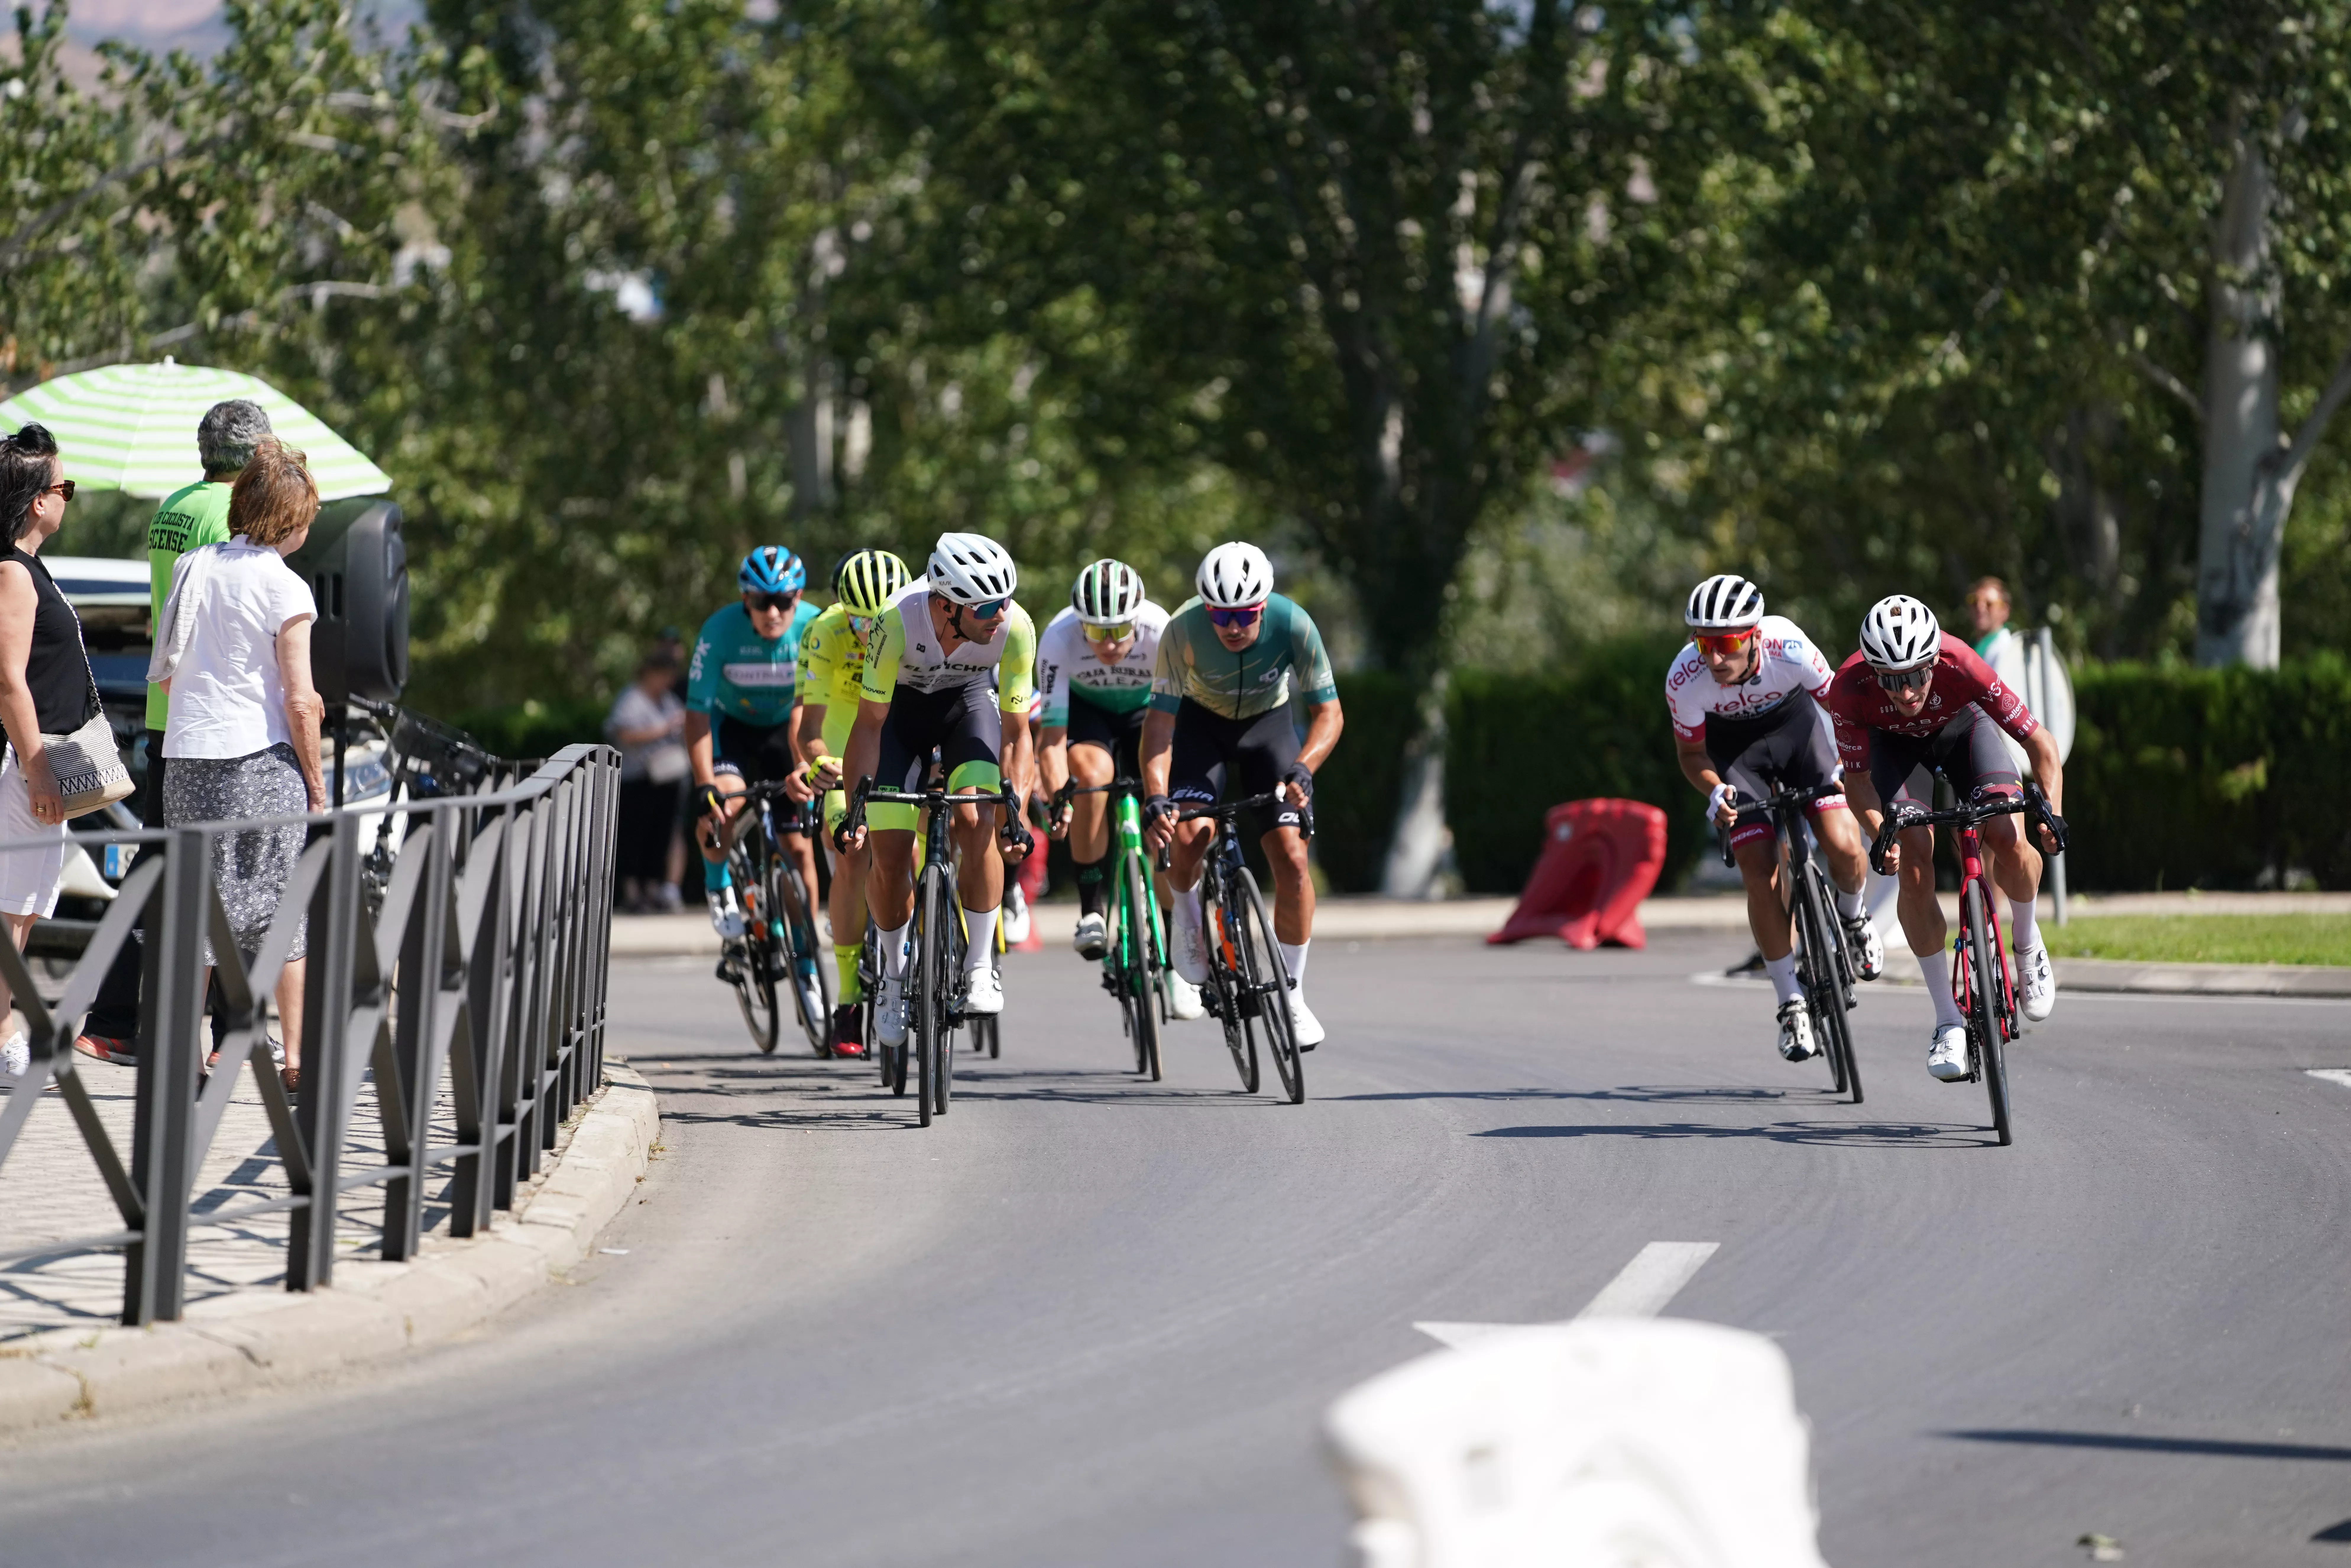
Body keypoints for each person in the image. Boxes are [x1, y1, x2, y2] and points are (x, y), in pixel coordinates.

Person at [75, 398, 273, 1066]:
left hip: (170, 717)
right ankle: (226, 1033)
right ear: (252, 456)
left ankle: (114, 1018)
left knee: (158, 871)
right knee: (232, 875)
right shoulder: (235, 517)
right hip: (219, 722)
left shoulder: (173, 507)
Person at [147, 440, 326, 1098]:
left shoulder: (194, 567)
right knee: (285, 912)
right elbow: (300, 700)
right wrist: (315, 782)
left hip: (188, 757)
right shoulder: (286, 586)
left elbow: (165, 675)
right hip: (259, 759)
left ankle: (183, 1060)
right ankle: (299, 1058)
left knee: (196, 910)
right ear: (292, 520)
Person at [1826, 594, 2065, 1083]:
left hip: (1963, 731)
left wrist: (2052, 813)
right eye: (1892, 679)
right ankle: (1947, 1020)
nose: (1907, 690)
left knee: (2006, 831)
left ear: (1935, 659)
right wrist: (1879, 833)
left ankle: (2025, 940)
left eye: (1916, 673)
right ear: (1873, 672)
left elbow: (2039, 742)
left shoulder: (1962, 662)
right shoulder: (1848, 689)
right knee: (1913, 863)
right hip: (1895, 753)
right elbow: (1857, 783)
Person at [1667, 575, 1881, 1062]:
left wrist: (1853, 767)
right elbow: (1690, 752)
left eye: (1726, 643)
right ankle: (1789, 1001)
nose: (1713, 657)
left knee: (1845, 845)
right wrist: (1715, 789)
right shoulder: (1684, 678)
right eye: (1703, 643)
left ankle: (1852, 918)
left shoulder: (1790, 646)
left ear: (1755, 636)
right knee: (1759, 873)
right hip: (1735, 757)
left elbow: (1841, 708)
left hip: (1798, 735)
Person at [835, 532, 1037, 1045]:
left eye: (1005, 600)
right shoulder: (896, 620)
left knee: (977, 818)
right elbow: (869, 725)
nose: (1000, 613)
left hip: (967, 707)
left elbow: (1017, 733)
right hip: (901, 717)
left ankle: (978, 965)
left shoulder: (1014, 628)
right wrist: (856, 805)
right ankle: (894, 979)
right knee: (890, 850)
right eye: (987, 605)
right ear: (946, 604)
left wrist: (1019, 813)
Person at [1141, 542, 1343, 1048]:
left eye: (1245, 614)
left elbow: (1329, 713)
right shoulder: (1182, 629)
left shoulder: (1293, 623)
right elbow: (1160, 723)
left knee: (1293, 859)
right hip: (1199, 731)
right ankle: (1187, 924)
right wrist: (1156, 795)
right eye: (1221, 614)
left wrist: (1304, 767)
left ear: (1263, 605)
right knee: (1190, 836)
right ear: (1205, 608)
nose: (1233, 626)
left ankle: (1292, 996)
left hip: (1268, 732)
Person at [1037, 558, 1202, 1019]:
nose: (1109, 644)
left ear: (1138, 618)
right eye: (1096, 633)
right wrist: (1057, 795)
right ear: (1079, 624)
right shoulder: (1057, 638)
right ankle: (1092, 910)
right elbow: (1050, 740)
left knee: (1165, 815)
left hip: (1150, 716)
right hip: (1091, 717)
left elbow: (1183, 722)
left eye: (1118, 631)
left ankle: (1176, 960)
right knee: (1091, 781)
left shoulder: (1162, 629)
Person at [0, 425, 95, 1080]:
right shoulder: (13, 571)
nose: (69, 497)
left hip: (39, 768)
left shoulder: (29, 568)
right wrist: (38, 769)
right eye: (65, 487)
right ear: (39, 500)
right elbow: (9, 681)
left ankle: (4, 1025)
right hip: (22, 765)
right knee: (11, 909)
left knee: (26, 909)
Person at [794, 547, 911, 1055]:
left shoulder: (917, 622)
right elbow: (809, 726)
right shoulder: (824, 630)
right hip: (846, 751)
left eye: (878, 621)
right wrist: (819, 760)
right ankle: (848, 994)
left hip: (903, 744)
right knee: (851, 852)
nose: (870, 632)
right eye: (860, 622)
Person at [684, 546, 822, 943]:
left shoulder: (816, 627)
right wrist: (704, 783)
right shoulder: (720, 631)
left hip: (788, 730)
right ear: (747, 599)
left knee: (799, 851)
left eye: (783, 601)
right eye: (763, 602)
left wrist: (807, 764)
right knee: (722, 806)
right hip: (732, 728)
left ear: (798, 598)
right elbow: (696, 715)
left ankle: (805, 958)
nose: (773, 612)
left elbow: (813, 708)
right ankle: (718, 884)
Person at [605, 649, 687, 913]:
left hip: (665, 780)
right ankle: (632, 892)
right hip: (636, 780)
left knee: (659, 836)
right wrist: (663, 729)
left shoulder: (668, 700)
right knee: (634, 836)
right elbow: (623, 735)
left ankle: (652, 890)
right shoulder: (631, 699)